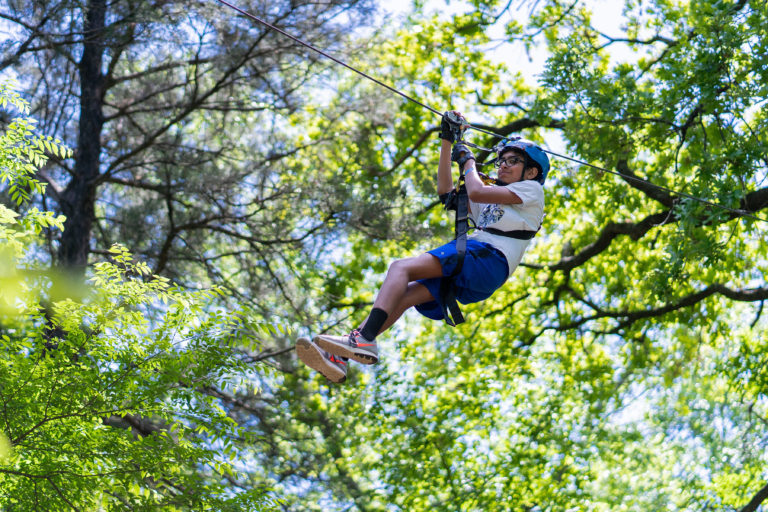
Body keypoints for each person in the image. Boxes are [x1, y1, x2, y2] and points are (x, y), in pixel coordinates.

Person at [296, 111, 548, 383]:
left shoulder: (532, 191)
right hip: (480, 269)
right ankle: (341, 358)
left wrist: (469, 161)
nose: (503, 165)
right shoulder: (494, 201)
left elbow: (475, 190)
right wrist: (448, 143)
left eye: (513, 161)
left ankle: (363, 338)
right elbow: (446, 194)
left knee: (400, 268)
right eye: (502, 160)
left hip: (486, 259)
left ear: (531, 172)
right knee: (403, 296)